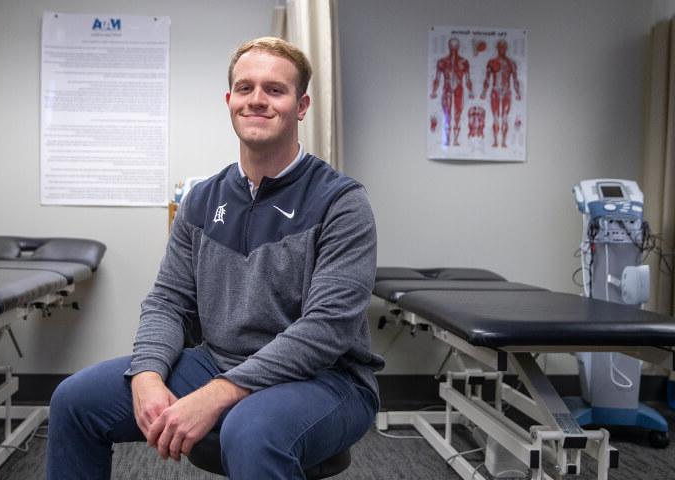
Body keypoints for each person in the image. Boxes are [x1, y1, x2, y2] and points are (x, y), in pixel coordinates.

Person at [46, 36, 384, 480]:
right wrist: (147, 372)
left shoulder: (340, 202)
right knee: (73, 401)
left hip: (328, 379)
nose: (257, 100)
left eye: (274, 90)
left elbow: (327, 330)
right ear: (229, 101)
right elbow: (168, 301)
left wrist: (221, 392)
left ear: (301, 106)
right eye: (245, 89)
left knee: (250, 430)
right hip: (217, 360)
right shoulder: (202, 200)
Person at [430, 37, 474, 146]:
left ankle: (455, 140)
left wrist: (471, 91)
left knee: (458, 114)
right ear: (449, 46)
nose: (453, 48)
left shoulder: (464, 62)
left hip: (459, 89)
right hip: (447, 88)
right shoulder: (442, 62)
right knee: (447, 114)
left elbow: (468, 79)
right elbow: (437, 78)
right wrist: (434, 91)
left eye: (455, 46)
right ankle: (448, 139)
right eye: (452, 46)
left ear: (458, 47)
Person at [480, 39, 521, 148]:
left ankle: (503, 141)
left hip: (507, 91)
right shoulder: (491, 62)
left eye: (503, 47)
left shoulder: (511, 63)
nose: (502, 49)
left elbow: (515, 80)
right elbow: (487, 79)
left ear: (506, 48)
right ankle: (495, 141)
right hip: (495, 91)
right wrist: (484, 92)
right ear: (497, 48)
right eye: (500, 47)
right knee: (495, 117)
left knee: (505, 117)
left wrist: (518, 93)